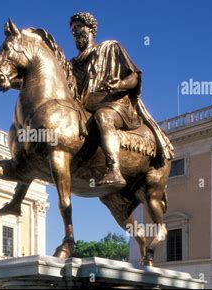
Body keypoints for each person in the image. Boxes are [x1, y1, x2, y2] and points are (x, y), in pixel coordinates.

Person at [68, 12, 173, 187]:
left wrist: (120, 85)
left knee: (103, 117)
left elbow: (135, 77)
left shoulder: (111, 47)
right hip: (87, 109)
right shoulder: (73, 64)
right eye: (72, 30)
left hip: (116, 106)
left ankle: (114, 169)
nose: (75, 32)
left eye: (79, 27)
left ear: (91, 28)